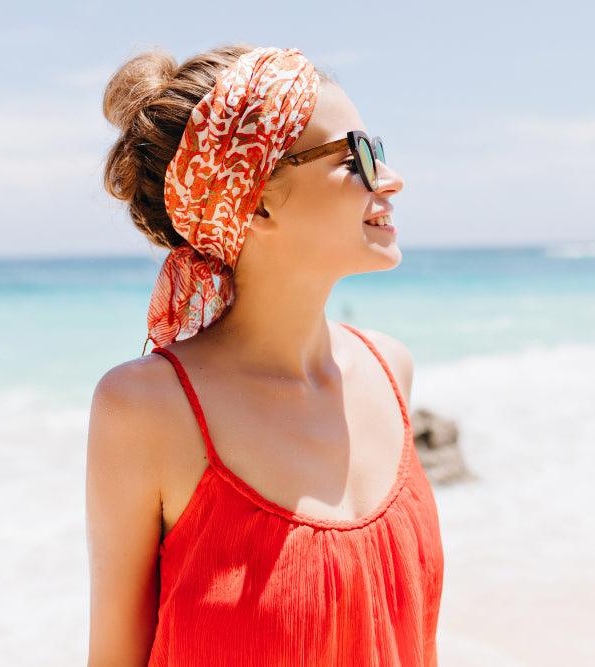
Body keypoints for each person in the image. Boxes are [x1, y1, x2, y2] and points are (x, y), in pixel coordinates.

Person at [86, 43, 445, 666]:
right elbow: (115, 655)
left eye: (377, 148)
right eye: (356, 155)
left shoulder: (391, 371)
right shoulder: (147, 408)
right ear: (256, 199)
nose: (389, 176)